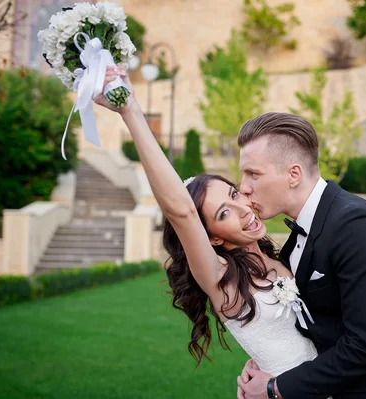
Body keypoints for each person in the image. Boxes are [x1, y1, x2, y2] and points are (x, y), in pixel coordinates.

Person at [94, 66, 318, 381]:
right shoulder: (221, 280)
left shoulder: (285, 254)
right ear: (212, 239)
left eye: (233, 194)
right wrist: (130, 111)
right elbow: (180, 211)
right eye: (223, 214)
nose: (241, 208)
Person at [235, 112, 366, 399]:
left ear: (294, 174)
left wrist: (275, 388)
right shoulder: (301, 233)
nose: (244, 187)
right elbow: (320, 326)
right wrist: (271, 360)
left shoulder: (358, 227)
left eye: (254, 173)